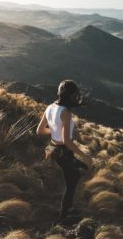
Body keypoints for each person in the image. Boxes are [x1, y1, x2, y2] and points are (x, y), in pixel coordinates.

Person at [36, 79, 93, 221]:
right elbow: (67, 141)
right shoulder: (66, 113)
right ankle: (64, 215)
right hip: (64, 152)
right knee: (72, 180)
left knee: (74, 176)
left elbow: (39, 130)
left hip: (53, 148)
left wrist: (55, 131)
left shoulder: (50, 107)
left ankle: (68, 209)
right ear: (72, 95)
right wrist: (84, 154)